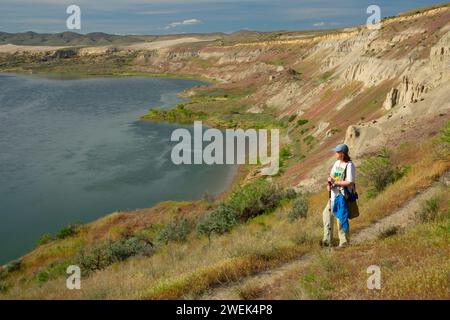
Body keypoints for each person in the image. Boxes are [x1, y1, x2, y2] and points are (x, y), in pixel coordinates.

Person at [321, 143, 356, 248]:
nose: (335, 153)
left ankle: (344, 243)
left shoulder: (349, 165)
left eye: (337, 152)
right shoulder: (337, 163)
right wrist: (330, 183)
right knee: (326, 217)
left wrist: (335, 183)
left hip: (342, 197)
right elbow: (332, 176)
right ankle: (327, 241)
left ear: (342, 154)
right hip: (333, 196)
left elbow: (350, 182)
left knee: (341, 219)